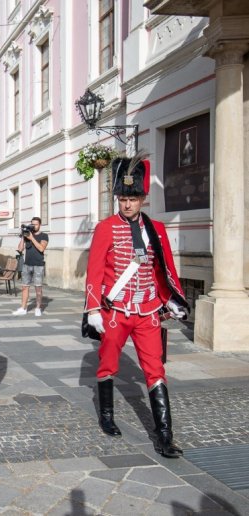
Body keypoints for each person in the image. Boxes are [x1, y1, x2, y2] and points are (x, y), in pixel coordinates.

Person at [84, 156, 189, 458]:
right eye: (123, 198)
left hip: (147, 312)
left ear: (143, 198)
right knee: (108, 364)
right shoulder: (105, 228)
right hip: (115, 311)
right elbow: (94, 270)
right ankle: (106, 416)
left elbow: (164, 267)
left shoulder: (156, 229)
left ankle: (165, 435)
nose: (127, 204)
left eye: (133, 198)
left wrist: (172, 299)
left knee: (155, 369)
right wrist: (93, 310)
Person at [12, 216, 48, 316]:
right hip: (27, 265)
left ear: (40, 225)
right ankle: (23, 308)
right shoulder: (27, 235)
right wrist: (23, 237)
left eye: (36, 224)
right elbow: (20, 249)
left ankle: (38, 308)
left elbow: (41, 248)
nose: (33, 226)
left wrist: (32, 238)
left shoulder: (44, 236)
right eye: (32, 224)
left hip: (38, 265)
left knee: (38, 288)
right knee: (24, 287)